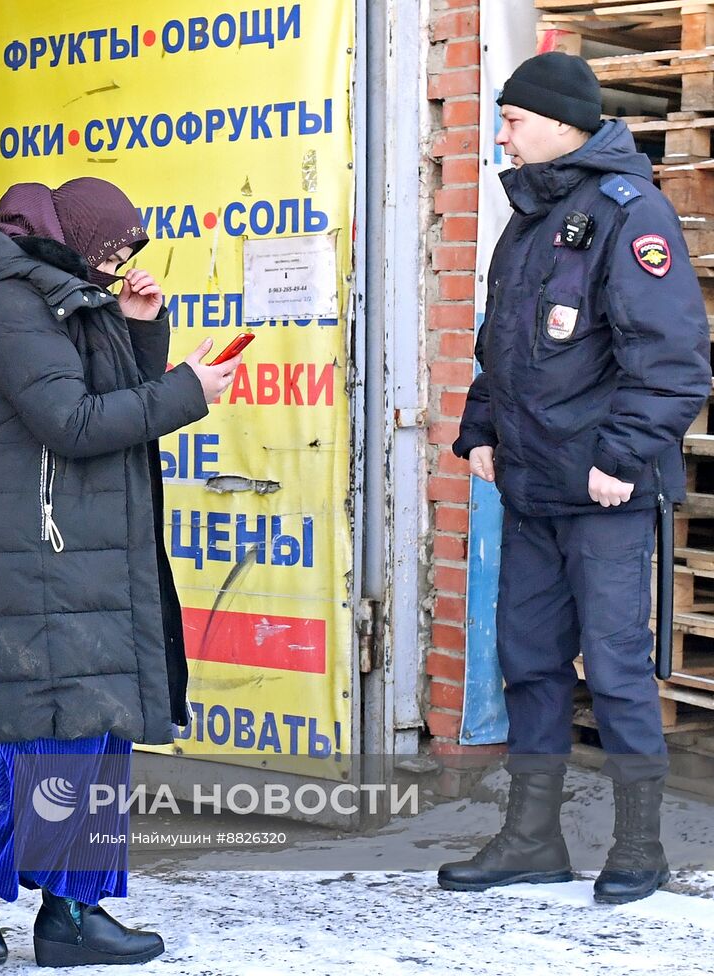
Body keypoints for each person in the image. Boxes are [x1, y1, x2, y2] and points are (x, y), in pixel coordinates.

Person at [0, 178, 242, 967]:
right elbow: (71, 422)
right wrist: (187, 394)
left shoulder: (61, 294)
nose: (120, 264)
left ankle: (74, 916)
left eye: (130, 252)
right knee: (54, 738)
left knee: (101, 732)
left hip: (84, 542)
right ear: (74, 236)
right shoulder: (9, 302)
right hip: (38, 553)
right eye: (112, 250)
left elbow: (109, 395)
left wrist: (139, 329)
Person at [442, 53, 710, 905]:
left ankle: (640, 847)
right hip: (531, 489)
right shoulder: (530, 220)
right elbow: (505, 347)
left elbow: (672, 364)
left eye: (513, 121)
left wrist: (618, 460)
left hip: (604, 494)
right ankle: (532, 840)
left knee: (620, 671)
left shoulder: (632, 216)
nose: (502, 136)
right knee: (529, 665)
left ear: (559, 123)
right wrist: (480, 429)